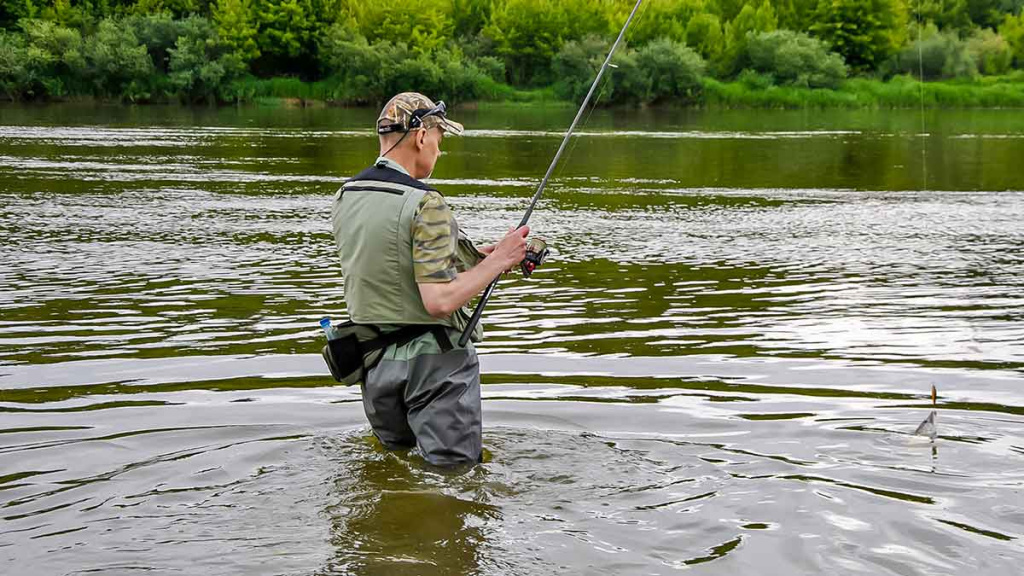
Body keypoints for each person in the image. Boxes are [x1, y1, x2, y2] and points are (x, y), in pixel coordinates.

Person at [331, 92, 530, 466]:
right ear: (421, 136)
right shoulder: (427, 202)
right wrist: (502, 260)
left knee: (396, 468)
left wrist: (482, 258)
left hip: (374, 365)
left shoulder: (347, 195)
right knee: (455, 477)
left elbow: (392, 267)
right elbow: (437, 301)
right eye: (440, 139)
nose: (439, 151)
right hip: (434, 369)